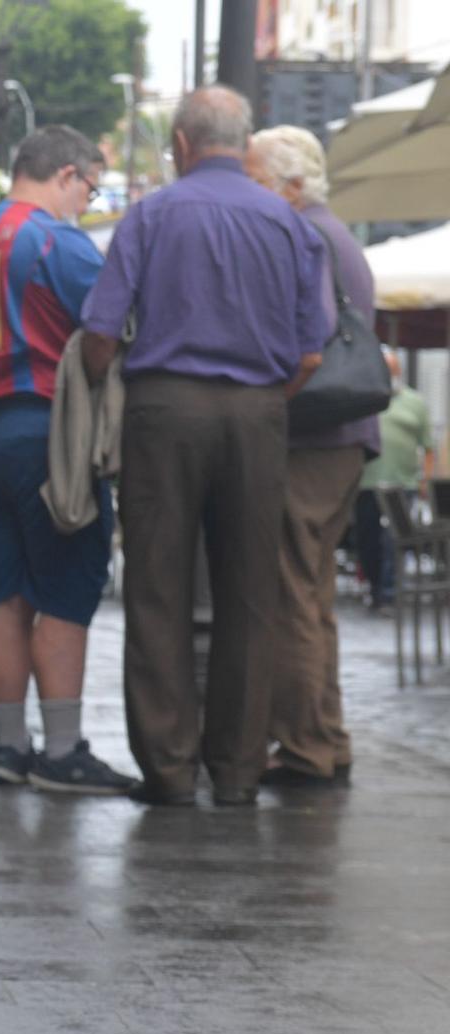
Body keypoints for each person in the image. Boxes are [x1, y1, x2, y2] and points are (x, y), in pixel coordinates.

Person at [81, 87, 330, 808]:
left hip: (164, 410)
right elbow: (310, 354)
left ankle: (167, 767)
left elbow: (102, 330)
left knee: (158, 588)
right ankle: (239, 770)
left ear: (182, 145)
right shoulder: (289, 225)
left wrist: (102, 386)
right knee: (250, 595)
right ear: (240, 142)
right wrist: (261, 401)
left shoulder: (151, 215)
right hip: (258, 414)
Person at [0, 125, 137, 796]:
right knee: (66, 588)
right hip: (48, 433)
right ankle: (61, 752)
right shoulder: (56, 240)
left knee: (3, 594)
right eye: (91, 187)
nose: (88, 201)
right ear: (66, 175)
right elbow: (111, 319)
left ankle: (9, 746)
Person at [246, 126, 378, 788]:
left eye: (259, 182)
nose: (252, 195)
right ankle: (325, 736)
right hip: (345, 439)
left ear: (293, 187)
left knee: (291, 593)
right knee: (313, 592)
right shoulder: (335, 232)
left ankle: (303, 746)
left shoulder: (307, 237)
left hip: (314, 437)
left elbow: (309, 345)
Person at [357, 350, 430, 609]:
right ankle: (376, 588)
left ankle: (388, 593)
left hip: (404, 483)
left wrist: (425, 481)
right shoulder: (364, 398)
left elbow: (428, 445)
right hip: (366, 482)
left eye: (392, 369)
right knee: (367, 539)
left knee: (394, 539)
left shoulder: (414, 402)